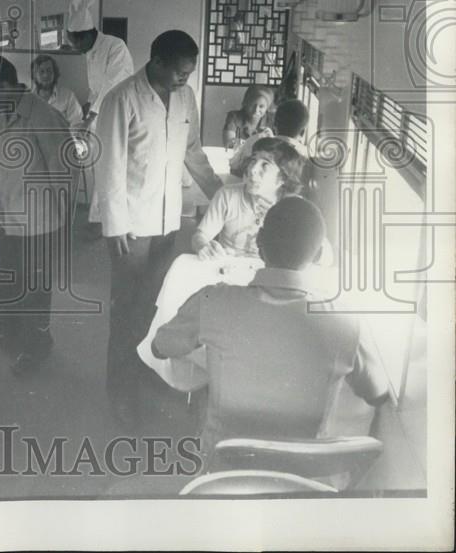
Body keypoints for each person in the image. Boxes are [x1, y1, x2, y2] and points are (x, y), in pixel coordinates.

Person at [152, 196, 390, 460]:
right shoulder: (347, 320)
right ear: (320, 254)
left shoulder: (214, 300)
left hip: (224, 466)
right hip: (300, 471)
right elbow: (377, 392)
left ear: (259, 244)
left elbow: (161, 346)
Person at [94, 29, 223, 424]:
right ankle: (119, 387)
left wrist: (222, 195)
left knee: (159, 305)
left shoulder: (185, 97)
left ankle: (147, 372)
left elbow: (193, 151)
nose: (185, 80)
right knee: (128, 308)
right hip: (132, 226)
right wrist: (114, 226)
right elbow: (110, 166)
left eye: (190, 73)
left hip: (169, 220)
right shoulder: (121, 99)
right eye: (180, 73)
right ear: (157, 62)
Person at [0, 55, 74, 376]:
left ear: (5, 85)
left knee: (34, 289)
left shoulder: (43, 116)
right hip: (6, 216)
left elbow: (65, 172)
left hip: (40, 222)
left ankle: (37, 345)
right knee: (2, 281)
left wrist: (60, 226)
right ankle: (9, 331)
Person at [193, 138, 306, 260]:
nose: (252, 170)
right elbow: (200, 236)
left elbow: (326, 256)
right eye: (253, 161)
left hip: (270, 274)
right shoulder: (227, 195)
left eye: (265, 164)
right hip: (229, 270)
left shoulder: (294, 207)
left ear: (283, 178)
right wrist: (203, 246)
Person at [63, 0, 134, 123]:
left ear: (88, 36)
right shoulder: (90, 50)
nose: (79, 50)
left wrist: (91, 117)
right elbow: (95, 88)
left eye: (78, 45)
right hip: (100, 110)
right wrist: (87, 105)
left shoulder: (116, 46)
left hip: (118, 108)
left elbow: (111, 85)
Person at [228, 98, 310, 177]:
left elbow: (233, 167)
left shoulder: (255, 142)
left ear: (274, 126)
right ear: (303, 132)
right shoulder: (307, 156)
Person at [31, 54, 84, 128]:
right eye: (41, 71)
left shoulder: (68, 96)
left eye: (49, 70)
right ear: (34, 76)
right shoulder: (27, 100)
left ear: (55, 73)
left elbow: (77, 124)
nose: (46, 75)